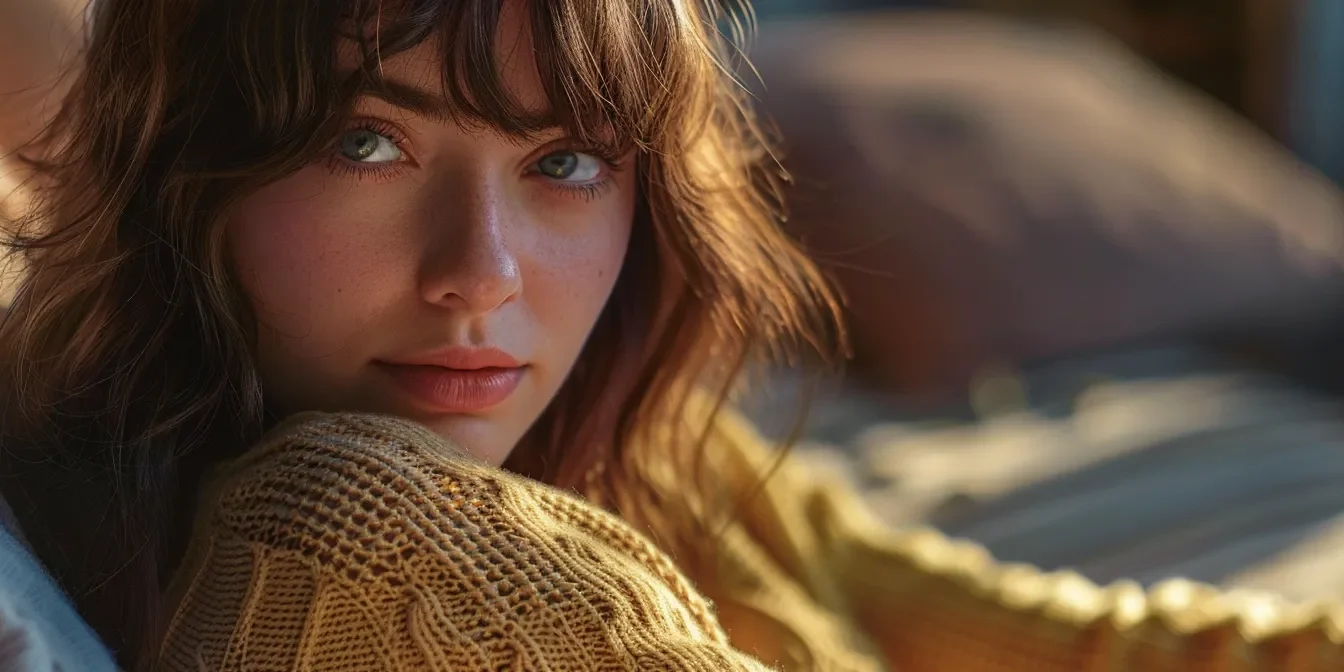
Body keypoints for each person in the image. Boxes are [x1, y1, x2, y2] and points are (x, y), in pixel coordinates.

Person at [0, 0, 1341, 670]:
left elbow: (1087, 647)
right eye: (365, 143)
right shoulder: (353, 536)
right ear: (185, 172)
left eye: (566, 163)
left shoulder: (668, 449)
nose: (481, 276)